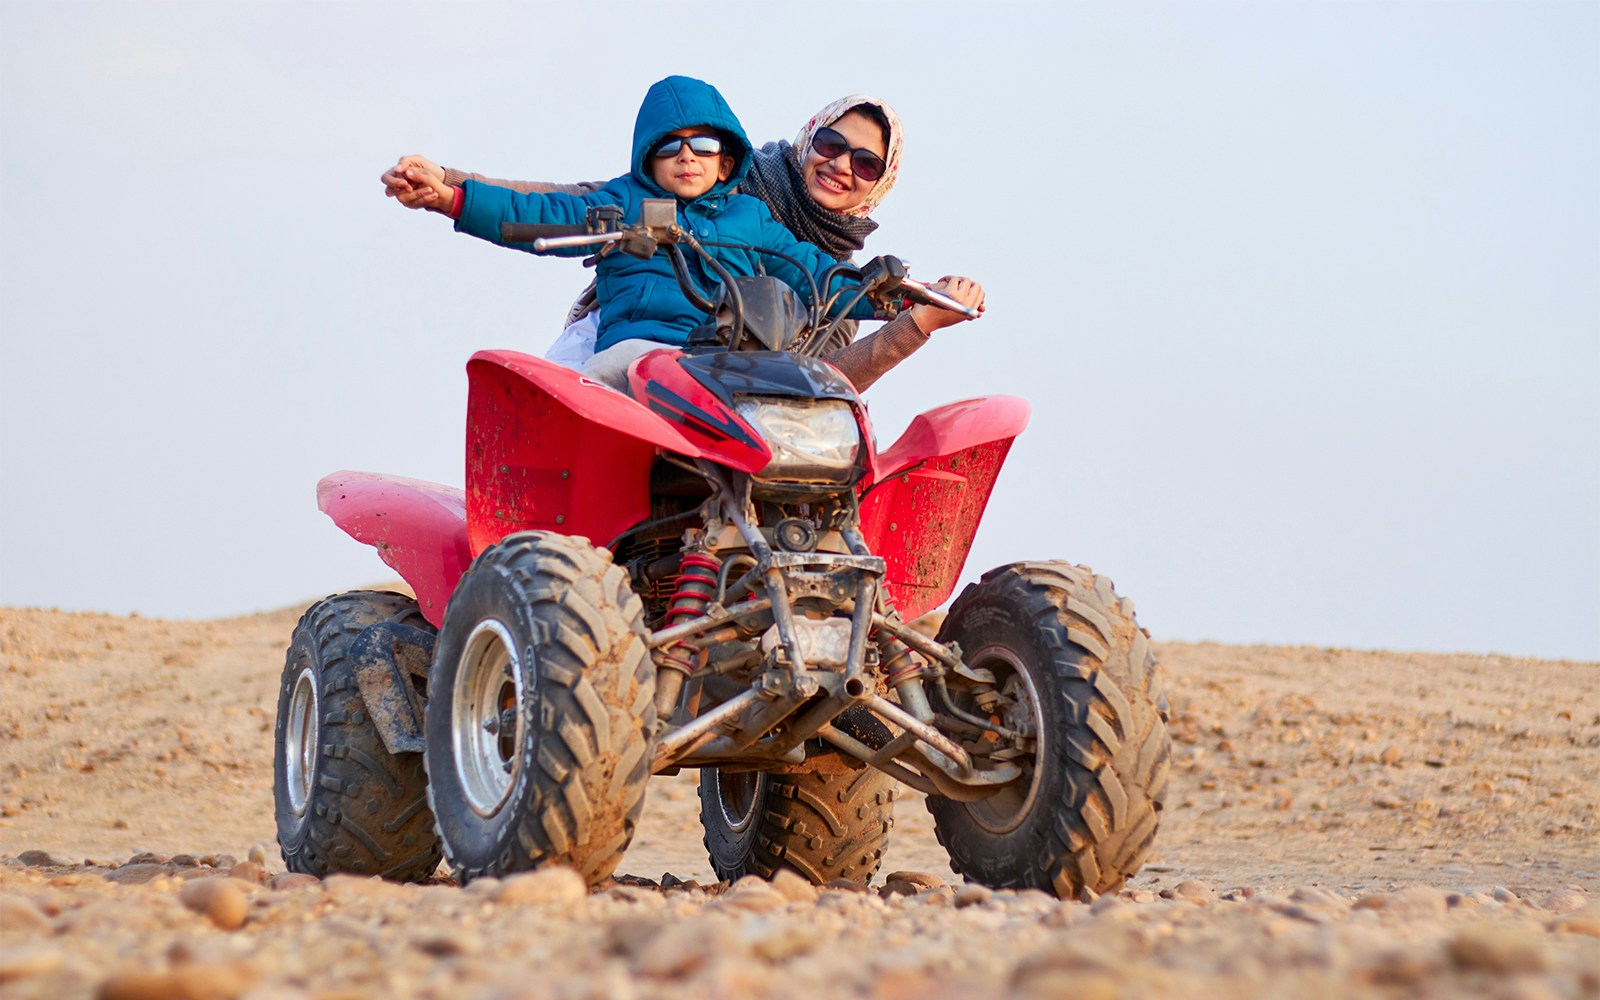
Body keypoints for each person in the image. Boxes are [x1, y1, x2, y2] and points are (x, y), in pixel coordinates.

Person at [383, 93, 984, 392]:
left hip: (731, 378)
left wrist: (913, 307)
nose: (840, 164)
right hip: (626, 338)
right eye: (830, 143)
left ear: (882, 181)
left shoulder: (770, 235)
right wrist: (452, 189)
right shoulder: (683, 194)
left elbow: (827, 369)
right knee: (557, 405)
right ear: (809, 137)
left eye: (865, 161)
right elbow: (560, 207)